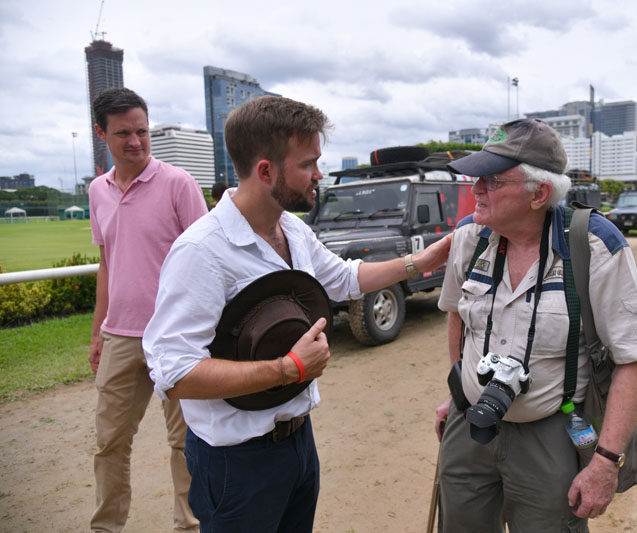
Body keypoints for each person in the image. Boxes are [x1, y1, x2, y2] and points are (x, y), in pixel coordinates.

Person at [142, 95, 452, 532]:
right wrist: (287, 369)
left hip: (297, 443)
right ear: (266, 171)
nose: (319, 175)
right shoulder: (201, 252)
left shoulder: (290, 227)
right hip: (237, 463)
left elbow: (342, 279)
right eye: (308, 164)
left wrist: (421, 263)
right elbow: (173, 373)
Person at [433, 118, 637, 532]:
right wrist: (458, 390)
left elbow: (634, 360)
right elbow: (457, 316)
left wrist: (605, 462)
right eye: (476, 178)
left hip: (552, 433)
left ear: (539, 193)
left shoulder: (594, 246)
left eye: (492, 181)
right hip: (469, 427)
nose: (475, 191)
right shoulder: (470, 238)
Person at [88, 87, 208, 533]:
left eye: (141, 131)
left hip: (177, 336)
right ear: (102, 134)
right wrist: (98, 330)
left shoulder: (179, 184)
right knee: (110, 443)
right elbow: (106, 264)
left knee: (185, 443)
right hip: (120, 336)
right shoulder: (96, 191)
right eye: (123, 133)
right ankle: (106, 527)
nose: (135, 141)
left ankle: (190, 526)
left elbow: (206, 260)